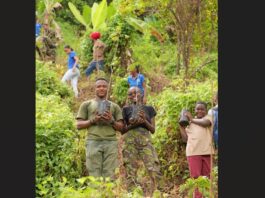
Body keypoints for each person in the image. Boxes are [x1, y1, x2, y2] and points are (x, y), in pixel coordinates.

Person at [76, 78, 124, 180]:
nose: (101, 88)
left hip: (111, 143)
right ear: (95, 89)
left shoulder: (114, 106)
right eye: (99, 86)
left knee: (110, 175)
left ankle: (108, 194)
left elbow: (122, 128)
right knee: (94, 174)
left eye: (104, 86)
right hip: (93, 141)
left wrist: (111, 120)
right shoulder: (86, 105)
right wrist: (93, 120)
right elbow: (78, 125)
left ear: (108, 89)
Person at [122, 86, 162, 196]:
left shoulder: (149, 109)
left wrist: (144, 121)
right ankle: (133, 194)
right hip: (130, 143)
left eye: (136, 93)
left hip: (146, 142)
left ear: (141, 94)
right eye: (130, 94)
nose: (133, 95)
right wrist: (132, 124)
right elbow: (122, 130)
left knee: (153, 168)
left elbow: (153, 130)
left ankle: (157, 193)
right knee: (130, 170)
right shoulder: (126, 109)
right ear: (128, 97)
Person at [179, 101, 214, 198]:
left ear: (206, 111)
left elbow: (205, 123)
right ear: (194, 110)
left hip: (207, 152)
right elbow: (185, 139)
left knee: (207, 178)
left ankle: (207, 196)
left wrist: (191, 119)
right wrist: (181, 127)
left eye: (202, 109)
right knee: (196, 178)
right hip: (193, 153)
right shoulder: (189, 123)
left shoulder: (208, 118)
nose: (200, 111)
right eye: (197, 109)